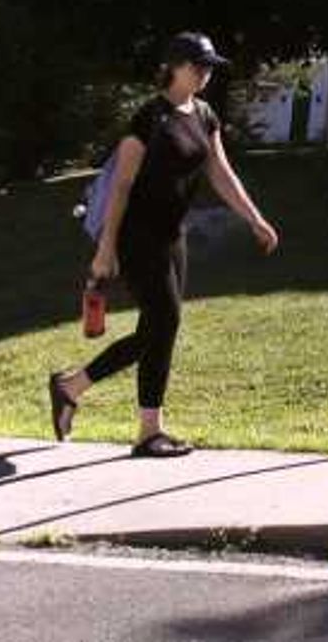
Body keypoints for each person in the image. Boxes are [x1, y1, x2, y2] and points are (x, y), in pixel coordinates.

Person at [46, 31, 277, 456]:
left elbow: (221, 174)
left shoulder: (204, 114)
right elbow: (121, 186)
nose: (206, 73)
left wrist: (255, 219)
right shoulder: (149, 118)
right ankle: (145, 428)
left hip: (173, 235)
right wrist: (106, 248)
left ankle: (75, 388)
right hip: (136, 234)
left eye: (210, 66)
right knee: (164, 321)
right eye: (199, 65)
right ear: (175, 67)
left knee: (159, 328)